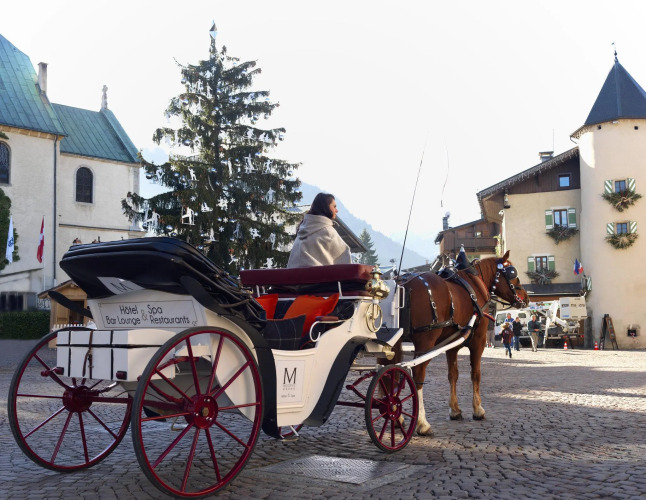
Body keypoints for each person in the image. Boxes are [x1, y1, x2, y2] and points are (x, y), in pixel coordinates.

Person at [287, 193, 351, 268]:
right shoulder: (328, 232)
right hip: (319, 275)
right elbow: (345, 257)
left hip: (294, 275)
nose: (336, 210)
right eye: (334, 206)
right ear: (326, 207)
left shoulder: (301, 230)